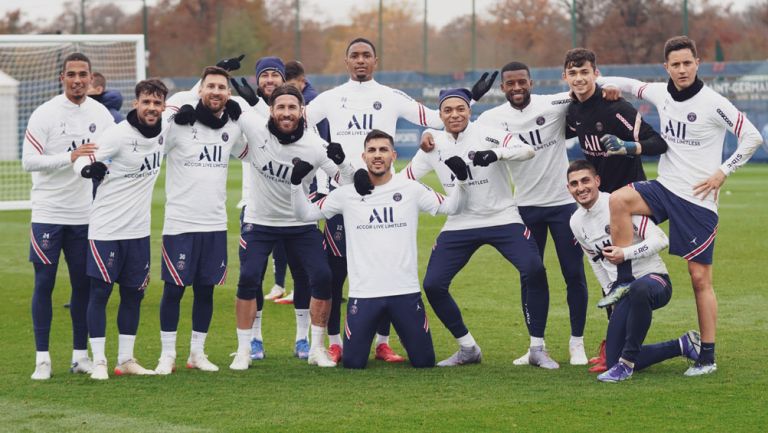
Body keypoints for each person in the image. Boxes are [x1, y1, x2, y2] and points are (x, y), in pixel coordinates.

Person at [306, 37, 497, 363]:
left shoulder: (390, 97)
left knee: (385, 261)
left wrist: (470, 97)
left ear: (376, 61)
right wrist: (330, 163)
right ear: (346, 61)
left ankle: (382, 342)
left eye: (367, 55)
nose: (361, 60)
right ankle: (334, 342)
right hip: (348, 194)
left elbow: (439, 118)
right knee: (336, 273)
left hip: (385, 191)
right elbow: (298, 124)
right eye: (355, 56)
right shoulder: (330, 98)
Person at [600, 36, 764, 376]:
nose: (682, 69)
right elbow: (632, 84)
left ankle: (707, 355)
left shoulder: (713, 102)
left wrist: (722, 172)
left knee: (699, 279)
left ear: (697, 63)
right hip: (665, 188)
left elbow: (752, 137)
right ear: (667, 68)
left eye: (687, 63)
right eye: (675, 64)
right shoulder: (661, 93)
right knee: (618, 199)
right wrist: (606, 84)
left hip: (698, 201)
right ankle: (624, 280)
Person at [405, 88, 558, 369]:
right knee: (433, 285)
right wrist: (435, 199)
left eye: (460, 109)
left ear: (469, 111)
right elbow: (405, 180)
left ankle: (537, 347)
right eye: (448, 110)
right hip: (459, 222)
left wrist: (496, 154)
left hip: (502, 217)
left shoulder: (488, 132)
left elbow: (527, 150)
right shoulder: (432, 143)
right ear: (439, 115)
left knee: (534, 268)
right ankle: (467, 347)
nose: (455, 115)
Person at [291, 129, 468, 368]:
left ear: (393, 155)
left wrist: (462, 180)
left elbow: (453, 207)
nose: (377, 155)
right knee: (353, 363)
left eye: (383, 150)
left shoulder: (411, 189)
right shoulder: (346, 195)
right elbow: (305, 214)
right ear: (363, 157)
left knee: (424, 361)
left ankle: (394, 339)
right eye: (372, 150)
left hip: (405, 293)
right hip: (364, 296)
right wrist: (295, 185)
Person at [231, 84, 355, 369]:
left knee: (322, 277)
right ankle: (244, 349)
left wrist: (343, 161)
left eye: (292, 108)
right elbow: (224, 106)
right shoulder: (254, 127)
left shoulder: (314, 145)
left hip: (300, 222)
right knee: (249, 278)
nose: (286, 113)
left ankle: (316, 348)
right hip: (260, 221)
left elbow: (347, 181)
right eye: (281, 108)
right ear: (271, 110)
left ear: (301, 111)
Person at [474, 61, 589, 366]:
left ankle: (577, 343)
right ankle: (536, 345)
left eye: (521, 82)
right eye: (510, 84)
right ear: (502, 88)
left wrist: (608, 88)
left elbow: (585, 92)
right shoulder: (491, 119)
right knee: (531, 275)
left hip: (564, 205)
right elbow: (459, 128)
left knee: (573, 273)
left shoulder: (554, 104)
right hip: (524, 208)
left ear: (531, 83)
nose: (516, 88)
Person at [22, 52, 114, 380]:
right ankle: (42, 359)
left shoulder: (101, 114)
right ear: (62, 78)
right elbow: (29, 161)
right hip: (48, 212)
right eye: (71, 74)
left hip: (85, 215)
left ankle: (79, 356)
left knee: (82, 286)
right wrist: (69, 156)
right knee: (44, 283)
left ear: (91, 78)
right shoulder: (45, 113)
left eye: (83, 74)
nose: (77, 80)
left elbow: (110, 154)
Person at [566, 160, 702, 382]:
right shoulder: (575, 221)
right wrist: (611, 293)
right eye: (574, 184)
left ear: (597, 181)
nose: (580, 188)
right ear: (568, 189)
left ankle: (626, 366)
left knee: (637, 287)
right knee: (612, 360)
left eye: (585, 180)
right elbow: (594, 260)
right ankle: (683, 344)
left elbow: (661, 239)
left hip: (655, 281)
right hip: (624, 291)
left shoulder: (619, 204)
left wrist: (626, 253)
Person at [154, 66, 248, 375]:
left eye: (222, 87)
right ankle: (167, 354)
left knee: (206, 290)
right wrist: (175, 112)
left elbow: (253, 151)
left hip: (215, 224)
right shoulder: (178, 125)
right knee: (174, 290)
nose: (216, 92)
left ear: (228, 93)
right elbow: (152, 138)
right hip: (180, 223)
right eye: (210, 86)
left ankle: (197, 352)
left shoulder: (232, 128)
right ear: (201, 90)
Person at [73, 78, 170, 380]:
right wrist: (88, 169)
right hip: (106, 230)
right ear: (136, 103)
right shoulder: (117, 135)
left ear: (163, 106)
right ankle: (100, 361)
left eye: (157, 103)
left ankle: (125, 359)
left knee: (133, 295)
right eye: (146, 102)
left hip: (138, 232)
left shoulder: (166, 130)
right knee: (100, 292)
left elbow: (192, 97)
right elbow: (83, 156)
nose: (151, 108)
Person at [564, 48, 668, 194]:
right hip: (599, 197)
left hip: (630, 195)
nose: (578, 78)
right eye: (573, 73)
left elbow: (658, 144)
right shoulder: (573, 109)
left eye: (584, 72)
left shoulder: (616, 107)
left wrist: (627, 146)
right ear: (565, 77)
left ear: (596, 74)